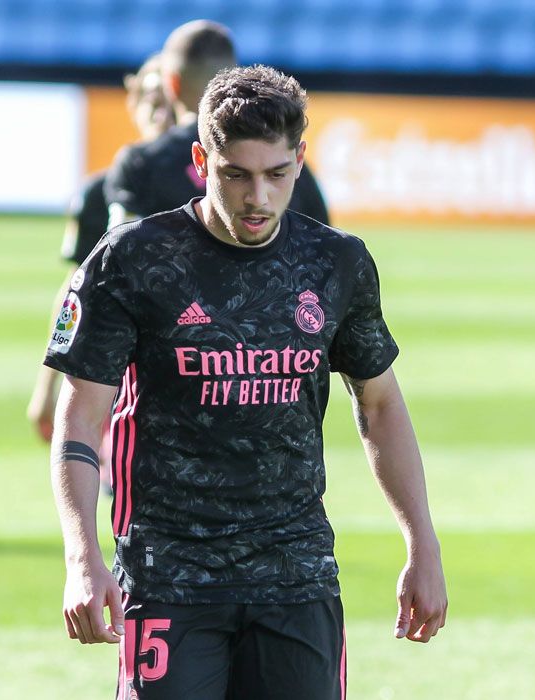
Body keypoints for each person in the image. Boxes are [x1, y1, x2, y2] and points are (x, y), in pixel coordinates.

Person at [45, 65, 447, 699]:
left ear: (300, 161)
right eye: (237, 174)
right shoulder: (134, 260)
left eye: (276, 175)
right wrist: (81, 556)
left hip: (297, 574)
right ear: (203, 160)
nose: (257, 197)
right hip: (170, 575)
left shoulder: (337, 262)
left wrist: (423, 542)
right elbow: (79, 418)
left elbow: (380, 404)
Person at [27, 54, 176, 444]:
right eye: (150, 100)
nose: (161, 113)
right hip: (119, 377)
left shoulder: (218, 192)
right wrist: (48, 385)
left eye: (167, 101)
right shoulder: (101, 194)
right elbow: (77, 291)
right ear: (133, 104)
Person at [104, 20, 330, 229]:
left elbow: (118, 251)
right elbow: (323, 247)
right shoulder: (285, 161)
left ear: (172, 84)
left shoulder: (141, 163)